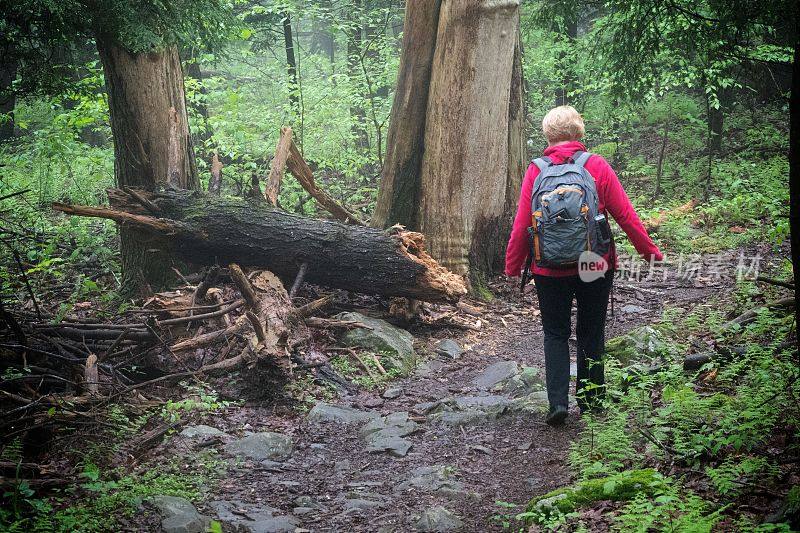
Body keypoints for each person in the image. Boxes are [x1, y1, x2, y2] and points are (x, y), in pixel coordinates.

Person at [504, 105, 662, 426]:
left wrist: (512, 265)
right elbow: (625, 214)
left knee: (555, 333)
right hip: (594, 264)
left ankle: (558, 403)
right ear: (580, 133)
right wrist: (649, 252)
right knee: (591, 332)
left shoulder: (536, 170)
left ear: (548, 135)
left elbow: (522, 223)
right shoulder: (596, 166)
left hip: (548, 269)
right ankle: (591, 401)